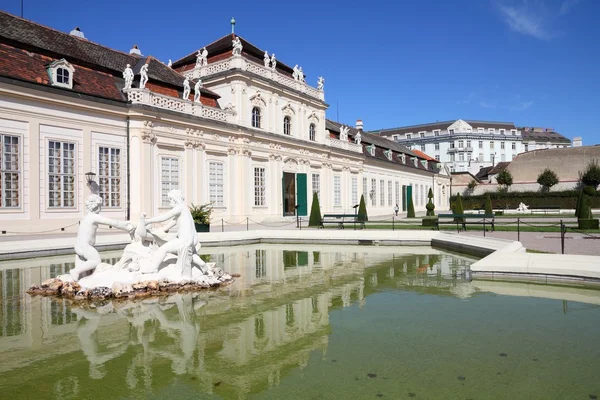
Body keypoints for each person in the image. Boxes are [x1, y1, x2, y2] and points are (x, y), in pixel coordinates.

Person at [140, 189, 207, 274]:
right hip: (192, 240)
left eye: (170, 200)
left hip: (183, 240)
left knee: (162, 249)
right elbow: (173, 222)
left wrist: (149, 221)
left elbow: (165, 217)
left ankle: (153, 268)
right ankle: (202, 264)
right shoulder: (185, 210)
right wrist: (164, 229)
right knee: (189, 253)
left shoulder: (179, 208)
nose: (169, 203)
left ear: (174, 200)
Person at [71, 194, 135, 280]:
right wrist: (126, 228)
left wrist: (126, 222)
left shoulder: (86, 217)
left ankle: (77, 278)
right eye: (100, 206)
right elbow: (112, 223)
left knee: (82, 275)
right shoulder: (94, 217)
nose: (100, 209)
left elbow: (116, 222)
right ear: (96, 206)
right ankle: (76, 271)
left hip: (78, 246)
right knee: (96, 261)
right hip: (85, 246)